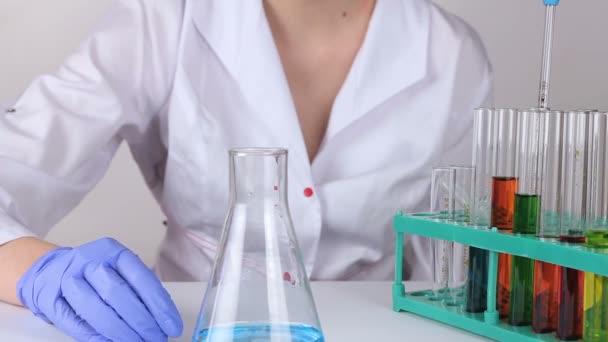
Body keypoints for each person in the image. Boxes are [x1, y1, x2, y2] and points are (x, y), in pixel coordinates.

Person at [0, 0, 492, 340]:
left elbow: (452, 276)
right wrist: (41, 273)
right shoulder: (166, 18)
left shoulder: (449, 57)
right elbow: (14, 164)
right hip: (192, 327)